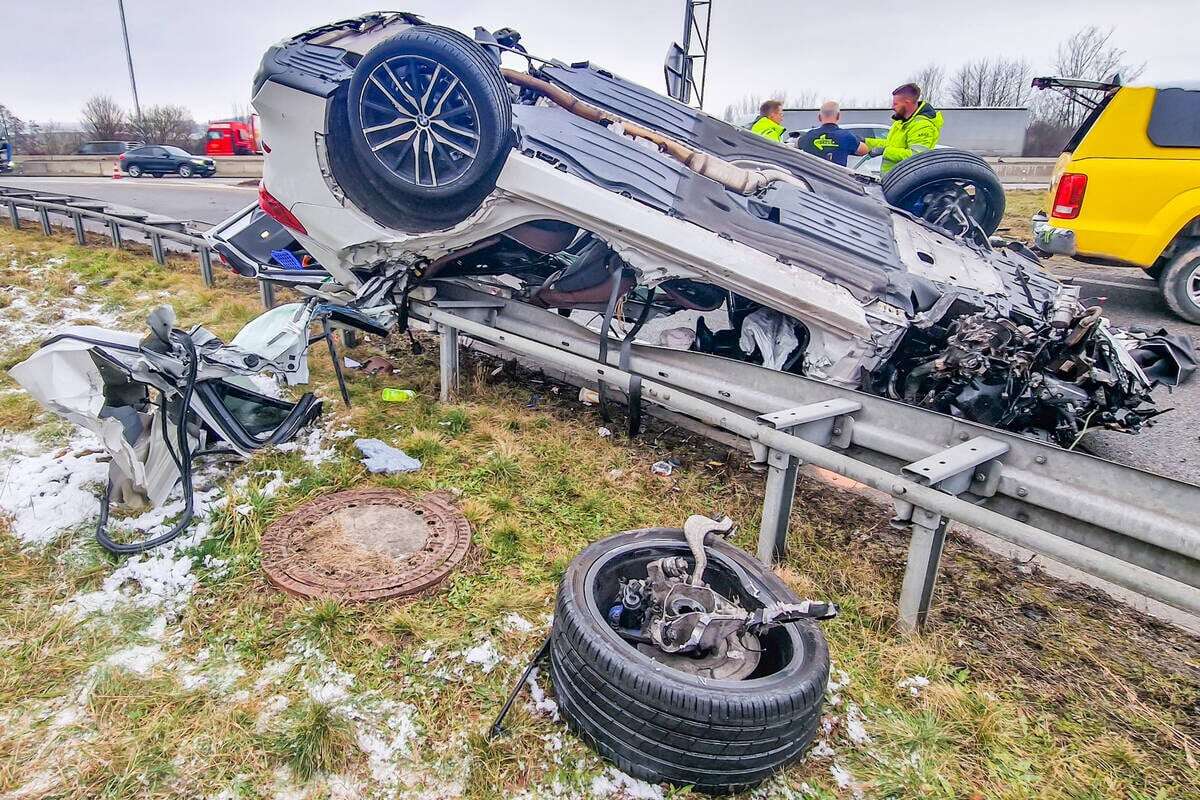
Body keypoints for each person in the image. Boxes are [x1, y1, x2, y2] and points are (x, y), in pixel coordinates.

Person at [863, 83, 943, 174]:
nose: (892, 107)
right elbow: (890, 144)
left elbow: (916, 155)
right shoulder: (901, 122)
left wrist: (885, 151)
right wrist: (866, 141)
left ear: (907, 103)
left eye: (895, 104)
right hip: (892, 178)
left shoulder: (922, 125)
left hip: (906, 180)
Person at [796, 101, 869, 166]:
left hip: (810, 180)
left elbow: (793, 146)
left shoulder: (808, 136)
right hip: (836, 180)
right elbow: (865, 151)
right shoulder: (847, 137)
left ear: (819, 117)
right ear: (838, 116)